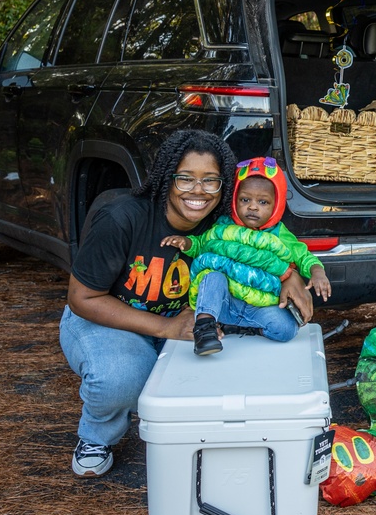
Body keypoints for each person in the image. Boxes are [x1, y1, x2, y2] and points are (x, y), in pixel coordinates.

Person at [59, 130, 314, 478]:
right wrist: (165, 327)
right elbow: (82, 298)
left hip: (182, 322)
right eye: (186, 178)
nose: (198, 191)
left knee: (223, 372)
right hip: (107, 317)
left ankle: (192, 442)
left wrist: (292, 275)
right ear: (167, 178)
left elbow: (266, 247)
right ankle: (96, 435)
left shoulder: (225, 221)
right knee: (121, 378)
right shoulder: (122, 218)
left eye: (210, 181)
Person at [161, 156, 331, 356]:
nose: (252, 207)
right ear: (235, 199)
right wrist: (187, 243)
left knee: (287, 329)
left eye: (263, 202)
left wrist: (317, 272)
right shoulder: (224, 226)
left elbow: (303, 256)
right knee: (213, 277)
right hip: (225, 303)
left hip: (259, 308)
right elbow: (203, 245)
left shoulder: (280, 234)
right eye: (245, 199)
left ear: (276, 205)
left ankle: (246, 329)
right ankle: (205, 328)